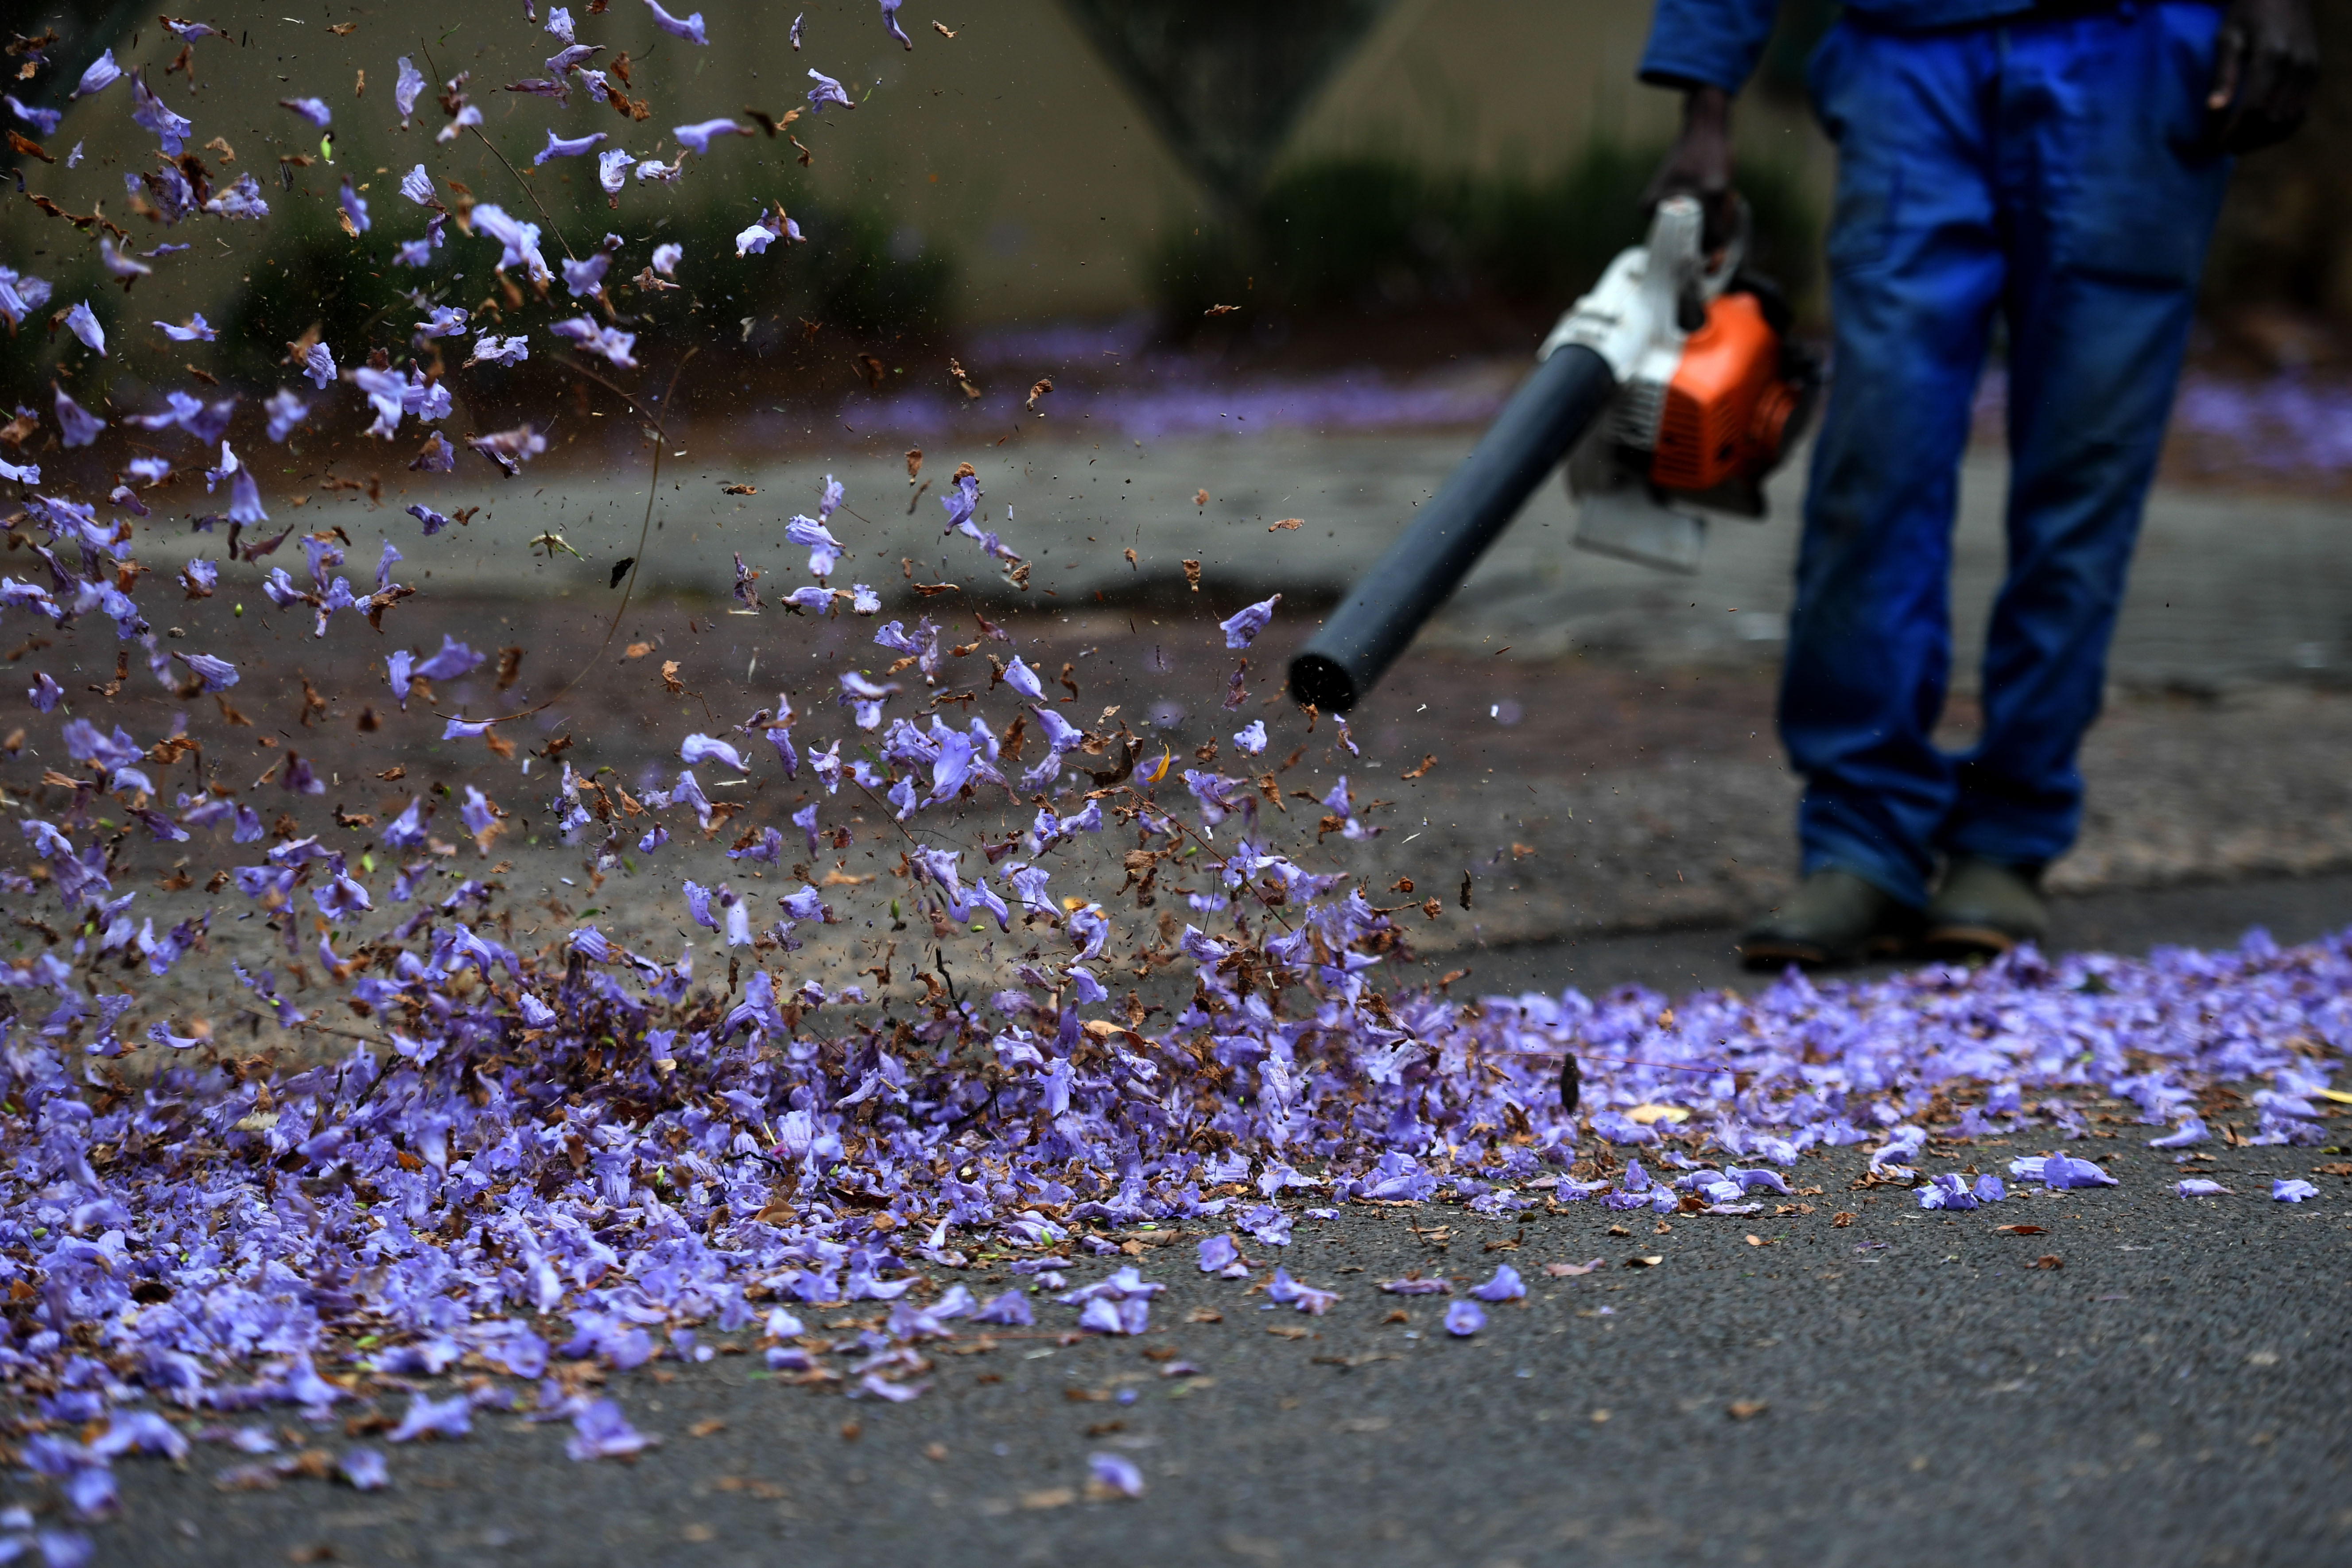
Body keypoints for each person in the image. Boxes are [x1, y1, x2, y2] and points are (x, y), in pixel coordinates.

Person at [1636, 0, 2319, 968]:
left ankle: (2010, 833)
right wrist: (1703, 101)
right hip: (1913, 56)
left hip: (2131, 55)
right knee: (1878, 457)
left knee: (2087, 470)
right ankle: (1862, 838)